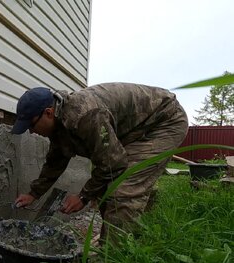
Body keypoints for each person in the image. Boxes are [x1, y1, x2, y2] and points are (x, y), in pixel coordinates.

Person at [11, 82, 188, 241]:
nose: (31, 132)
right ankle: (126, 235)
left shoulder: (84, 115)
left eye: (31, 125)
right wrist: (34, 193)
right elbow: (56, 160)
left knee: (124, 189)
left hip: (164, 121)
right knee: (105, 187)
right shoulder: (60, 121)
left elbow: (114, 162)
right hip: (134, 128)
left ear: (48, 113)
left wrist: (82, 196)